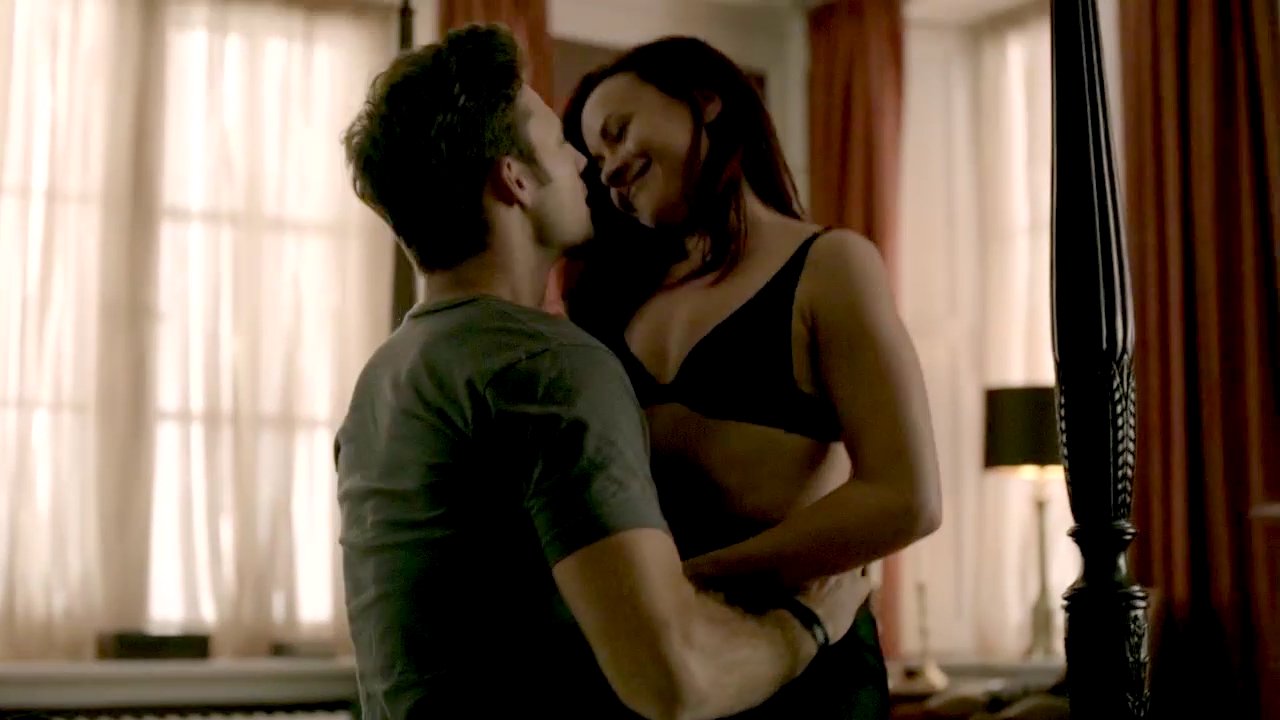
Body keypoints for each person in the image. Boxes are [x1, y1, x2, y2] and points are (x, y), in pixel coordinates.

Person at [335, 24, 872, 720]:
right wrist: (810, 623)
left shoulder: (382, 378)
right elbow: (674, 682)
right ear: (516, 178)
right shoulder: (549, 368)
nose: (584, 165)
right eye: (561, 144)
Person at [559, 36, 944, 719]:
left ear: (706, 101)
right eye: (596, 161)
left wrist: (698, 575)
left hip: (806, 670)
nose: (610, 167)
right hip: (659, 665)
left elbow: (906, 498)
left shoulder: (830, 267)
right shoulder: (604, 305)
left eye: (617, 132)